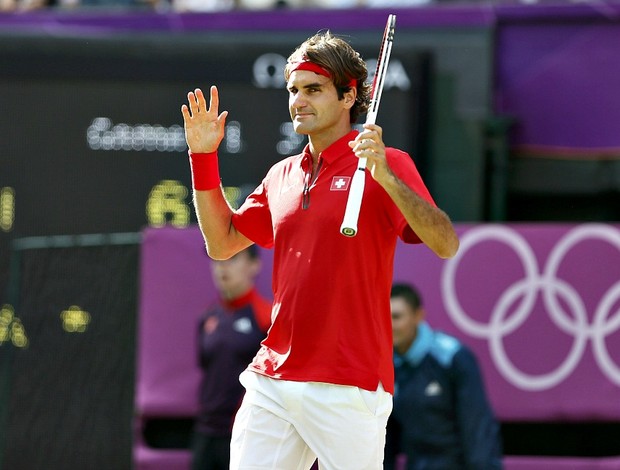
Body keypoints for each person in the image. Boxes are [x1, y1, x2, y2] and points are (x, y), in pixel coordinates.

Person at [181, 30, 459, 470]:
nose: (299, 101)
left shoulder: (389, 163)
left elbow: (445, 243)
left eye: (313, 89)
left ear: (350, 96)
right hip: (273, 374)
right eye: (294, 90)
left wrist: (386, 177)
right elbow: (222, 243)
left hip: (349, 383)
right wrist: (202, 157)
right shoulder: (282, 174)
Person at [385, 283, 503, 470]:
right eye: (384, 316)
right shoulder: (386, 365)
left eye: (396, 317)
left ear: (418, 316)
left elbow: (477, 428)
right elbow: (386, 438)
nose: (389, 324)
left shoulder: (452, 358)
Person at [192, 245, 271, 470]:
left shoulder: (267, 318)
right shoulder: (207, 318)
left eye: (233, 258)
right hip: (205, 433)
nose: (222, 267)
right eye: (217, 259)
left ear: (254, 265)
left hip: (246, 435)